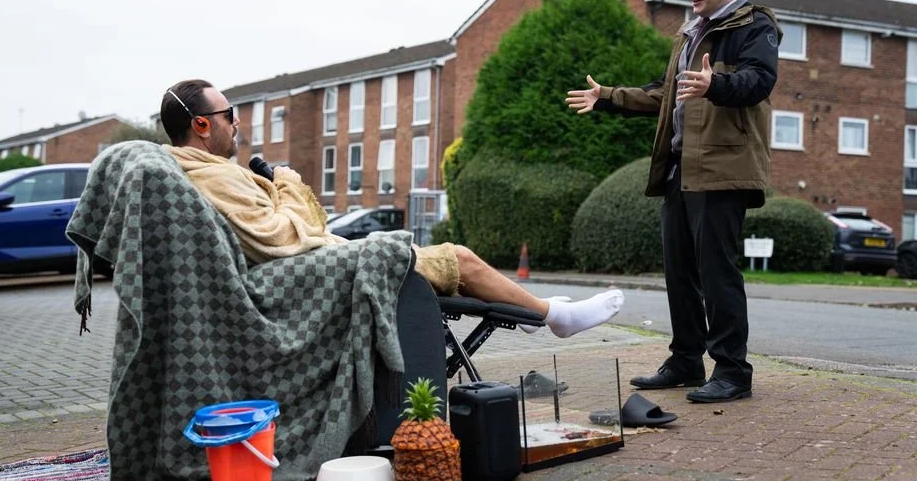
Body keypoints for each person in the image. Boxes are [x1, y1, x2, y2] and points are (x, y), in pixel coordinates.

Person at [159, 78, 624, 339]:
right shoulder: (214, 177)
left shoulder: (202, 173)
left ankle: (532, 309)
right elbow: (280, 239)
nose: (237, 123)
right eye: (229, 116)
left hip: (319, 267)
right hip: (319, 275)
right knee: (457, 259)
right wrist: (288, 184)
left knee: (448, 262)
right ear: (201, 125)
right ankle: (553, 317)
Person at [566, 0, 781, 403]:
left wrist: (715, 84)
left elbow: (759, 81)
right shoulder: (690, 34)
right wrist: (609, 96)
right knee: (680, 272)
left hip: (723, 169)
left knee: (717, 273)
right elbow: (666, 93)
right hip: (682, 169)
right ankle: (686, 361)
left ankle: (733, 372)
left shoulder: (755, 25)